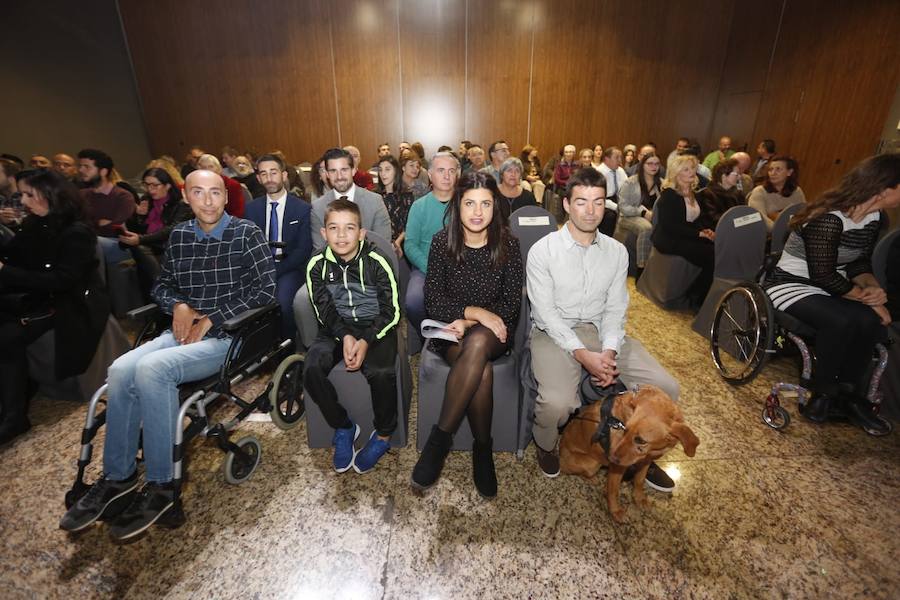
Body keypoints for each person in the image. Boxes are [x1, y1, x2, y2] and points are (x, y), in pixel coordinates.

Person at [59, 169, 276, 540]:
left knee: (153, 371)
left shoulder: (246, 234)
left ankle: (162, 486)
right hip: (179, 332)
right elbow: (163, 284)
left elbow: (265, 291)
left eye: (215, 193)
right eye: (198, 193)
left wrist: (213, 318)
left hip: (226, 336)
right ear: (187, 198)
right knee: (122, 369)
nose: (207, 201)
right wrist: (176, 305)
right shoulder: (180, 236)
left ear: (225, 197)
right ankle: (118, 476)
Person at [526, 167, 680, 491]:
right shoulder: (544, 251)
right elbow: (546, 313)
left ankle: (640, 455)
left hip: (601, 332)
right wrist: (585, 357)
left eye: (598, 202)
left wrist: (608, 352)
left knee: (666, 387)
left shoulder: (616, 251)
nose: (591, 211)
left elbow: (615, 308)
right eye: (581, 202)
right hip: (554, 333)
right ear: (566, 204)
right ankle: (544, 443)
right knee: (557, 403)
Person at [764, 153, 899, 436]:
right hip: (791, 283)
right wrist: (866, 299)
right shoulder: (828, 218)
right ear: (885, 187)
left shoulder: (874, 217)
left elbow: (858, 263)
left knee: (868, 322)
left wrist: (873, 290)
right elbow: (822, 275)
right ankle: (822, 393)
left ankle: (849, 395)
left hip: (832, 286)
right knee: (841, 321)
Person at [412, 171, 523, 498]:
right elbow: (433, 299)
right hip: (450, 329)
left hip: (495, 331)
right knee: (482, 371)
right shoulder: (441, 241)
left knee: (476, 344)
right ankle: (482, 449)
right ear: (457, 205)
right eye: (470, 203)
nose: (477, 212)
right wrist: (474, 313)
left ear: (495, 207)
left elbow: (511, 303)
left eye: (486, 204)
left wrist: (477, 321)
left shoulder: (508, 244)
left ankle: (439, 441)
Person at [0, 169, 109, 445]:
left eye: (28, 194)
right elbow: (14, 256)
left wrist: (6, 271)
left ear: (49, 195)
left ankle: (14, 416)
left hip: (71, 302)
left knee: (8, 337)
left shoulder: (77, 232)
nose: (23, 201)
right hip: (40, 295)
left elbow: (63, 281)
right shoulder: (35, 224)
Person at [304, 198, 401, 474]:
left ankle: (382, 436)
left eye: (349, 228)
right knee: (311, 367)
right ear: (324, 234)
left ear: (361, 233)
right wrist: (345, 336)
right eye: (334, 228)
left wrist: (366, 339)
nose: (342, 235)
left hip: (375, 326)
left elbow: (392, 311)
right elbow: (323, 310)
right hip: (335, 327)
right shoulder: (316, 265)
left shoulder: (376, 261)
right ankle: (344, 426)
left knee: (381, 372)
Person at [245, 154, 313, 340]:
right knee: (246, 302)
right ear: (258, 178)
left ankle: (287, 346)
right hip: (259, 268)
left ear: (284, 175)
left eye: (273, 173)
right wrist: (261, 270)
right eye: (264, 174)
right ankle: (257, 349)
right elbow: (249, 245)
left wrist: (274, 270)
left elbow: (303, 250)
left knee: (282, 302)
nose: (269, 178)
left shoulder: (302, 208)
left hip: (290, 268)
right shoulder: (251, 209)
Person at [403, 152, 460, 332]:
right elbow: (410, 244)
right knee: (413, 301)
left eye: (451, 171)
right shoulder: (419, 206)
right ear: (430, 174)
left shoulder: (465, 204)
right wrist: (432, 269)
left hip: (460, 266)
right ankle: (430, 334)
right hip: (425, 267)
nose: (446, 176)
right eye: (441, 170)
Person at [118, 168, 193, 300]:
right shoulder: (147, 202)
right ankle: (163, 289)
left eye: (155, 185)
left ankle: (163, 288)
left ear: (167, 185)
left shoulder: (181, 204)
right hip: (150, 246)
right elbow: (138, 230)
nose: (150, 189)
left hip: (169, 246)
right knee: (137, 252)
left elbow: (171, 230)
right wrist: (139, 217)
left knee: (139, 250)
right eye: (147, 185)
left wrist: (140, 239)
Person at [651, 155, 715, 309]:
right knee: (710, 256)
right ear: (677, 173)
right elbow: (670, 226)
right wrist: (698, 234)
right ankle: (696, 296)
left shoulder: (694, 193)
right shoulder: (669, 194)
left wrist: (705, 231)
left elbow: (697, 219)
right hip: (668, 239)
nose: (692, 172)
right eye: (686, 169)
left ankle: (698, 293)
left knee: (716, 249)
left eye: (693, 168)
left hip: (686, 235)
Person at [311, 148, 391, 250]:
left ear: (353, 170)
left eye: (344, 170)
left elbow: (382, 246)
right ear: (327, 174)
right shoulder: (317, 208)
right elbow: (321, 249)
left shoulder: (375, 202)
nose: (339, 176)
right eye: (333, 171)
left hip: (370, 265)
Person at [77, 148, 136, 266]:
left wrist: (90, 224)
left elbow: (116, 228)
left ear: (103, 171)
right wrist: (99, 223)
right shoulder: (81, 195)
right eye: (80, 166)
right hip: (88, 241)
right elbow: (75, 222)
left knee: (89, 242)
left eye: (87, 167)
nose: (81, 170)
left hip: (117, 244)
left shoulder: (123, 196)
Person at [617, 153, 662, 274]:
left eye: (657, 164)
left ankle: (659, 270)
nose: (654, 166)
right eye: (650, 163)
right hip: (629, 216)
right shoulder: (631, 182)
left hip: (654, 217)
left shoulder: (661, 183)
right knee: (647, 228)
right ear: (642, 165)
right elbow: (623, 206)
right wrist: (642, 212)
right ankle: (641, 267)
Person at [748, 156, 806, 232]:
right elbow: (760, 219)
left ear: (789, 172)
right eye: (770, 169)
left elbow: (803, 215)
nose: (773, 173)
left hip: (790, 235)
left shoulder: (797, 191)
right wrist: (780, 232)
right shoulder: (759, 191)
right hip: (764, 235)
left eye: (778, 169)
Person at [376, 155, 415, 256]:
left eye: (387, 169)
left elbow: (410, 225)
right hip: (378, 245)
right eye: (380, 170)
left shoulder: (406, 196)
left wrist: (397, 242)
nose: (383, 174)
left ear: (396, 171)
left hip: (401, 244)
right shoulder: (375, 196)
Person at [697, 158, 745, 230]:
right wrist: (738, 222)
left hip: (736, 231)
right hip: (716, 234)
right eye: (736, 174)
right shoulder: (707, 194)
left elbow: (745, 214)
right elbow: (713, 220)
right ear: (724, 176)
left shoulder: (738, 194)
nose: (739, 177)